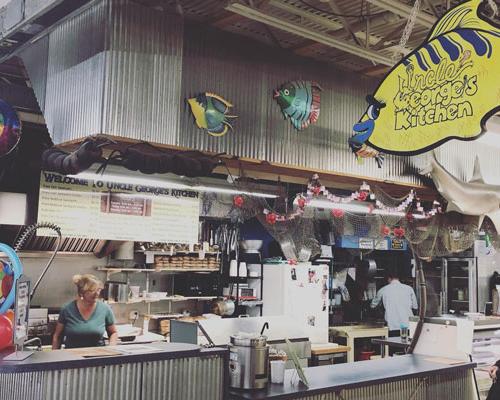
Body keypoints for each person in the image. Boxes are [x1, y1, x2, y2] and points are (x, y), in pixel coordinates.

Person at [52, 274, 118, 349]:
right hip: (72, 357)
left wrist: (111, 348)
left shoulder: (105, 309)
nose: (97, 293)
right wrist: (54, 356)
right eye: (92, 291)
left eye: (98, 290)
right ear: (81, 292)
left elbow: (113, 333)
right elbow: (58, 337)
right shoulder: (67, 309)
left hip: (97, 357)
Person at [370, 270, 418, 337]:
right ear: (398, 279)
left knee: (393, 345)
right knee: (407, 345)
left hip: (392, 327)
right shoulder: (409, 289)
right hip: (408, 326)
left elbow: (372, 306)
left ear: (389, 279)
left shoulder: (383, 290)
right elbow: (415, 307)